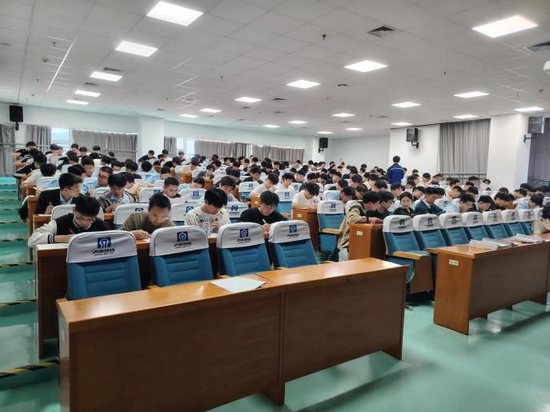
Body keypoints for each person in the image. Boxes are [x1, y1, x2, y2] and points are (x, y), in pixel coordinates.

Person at [28, 196, 108, 247]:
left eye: (90, 219)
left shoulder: (101, 225)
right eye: (80, 218)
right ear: (74, 210)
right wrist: (63, 238)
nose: (84, 222)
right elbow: (32, 241)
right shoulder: (60, 222)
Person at [337, 192, 383, 262]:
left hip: (356, 241)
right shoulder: (356, 207)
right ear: (370, 203)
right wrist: (368, 219)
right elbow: (352, 219)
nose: (378, 206)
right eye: (377, 203)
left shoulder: (367, 209)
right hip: (347, 244)